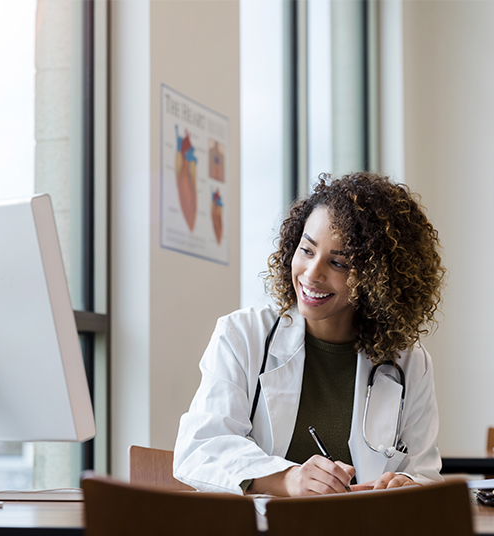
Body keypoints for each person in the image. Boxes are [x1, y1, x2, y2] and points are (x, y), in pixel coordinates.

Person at [173, 172, 446, 496]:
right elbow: (200, 448)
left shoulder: (410, 364)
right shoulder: (243, 336)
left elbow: (425, 472)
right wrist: (286, 479)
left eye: (339, 263)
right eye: (307, 250)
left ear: (377, 278)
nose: (312, 273)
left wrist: (408, 484)